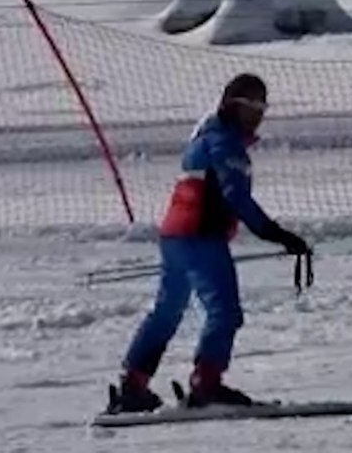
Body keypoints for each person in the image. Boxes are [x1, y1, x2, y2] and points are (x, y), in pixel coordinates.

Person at [106, 74, 312, 413]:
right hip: (200, 238)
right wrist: (277, 234)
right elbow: (237, 197)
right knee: (225, 312)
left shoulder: (205, 139)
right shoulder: (224, 143)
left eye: (264, 106)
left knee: (167, 311)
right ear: (234, 105)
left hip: (174, 238)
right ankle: (207, 385)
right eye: (254, 105)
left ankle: (133, 385)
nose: (260, 114)